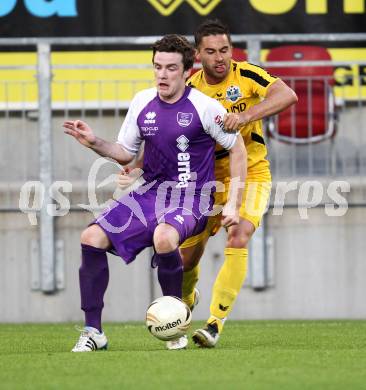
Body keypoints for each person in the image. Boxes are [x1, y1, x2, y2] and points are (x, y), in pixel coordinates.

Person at [62, 34, 246, 352]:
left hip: (194, 197)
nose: (162, 74)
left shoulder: (204, 107)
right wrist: (94, 142)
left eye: (171, 68)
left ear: (186, 71)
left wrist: (233, 203)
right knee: (90, 238)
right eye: (158, 66)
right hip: (149, 195)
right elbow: (124, 153)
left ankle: (174, 326)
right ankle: (94, 331)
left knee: (164, 237)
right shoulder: (142, 102)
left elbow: (237, 147)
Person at [179, 19, 298, 347]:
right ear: (197, 54)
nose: (220, 58)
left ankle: (215, 324)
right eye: (212, 52)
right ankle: (186, 300)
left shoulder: (246, 74)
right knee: (187, 259)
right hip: (204, 180)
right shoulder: (189, 89)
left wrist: (246, 116)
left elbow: (287, 94)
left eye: (225, 50)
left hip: (251, 172)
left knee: (239, 235)